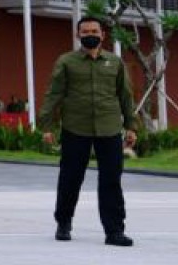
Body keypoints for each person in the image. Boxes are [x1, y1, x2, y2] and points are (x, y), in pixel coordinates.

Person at [39, 16, 137, 247]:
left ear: (103, 35)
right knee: (70, 179)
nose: (90, 35)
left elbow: (125, 95)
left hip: (109, 128)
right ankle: (64, 222)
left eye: (94, 31)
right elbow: (54, 94)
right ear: (78, 35)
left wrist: (131, 126)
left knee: (111, 181)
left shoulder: (115, 62)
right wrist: (47, 126)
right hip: (76, 128)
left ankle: (114, 231)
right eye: (85, 32)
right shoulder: (66, 62)